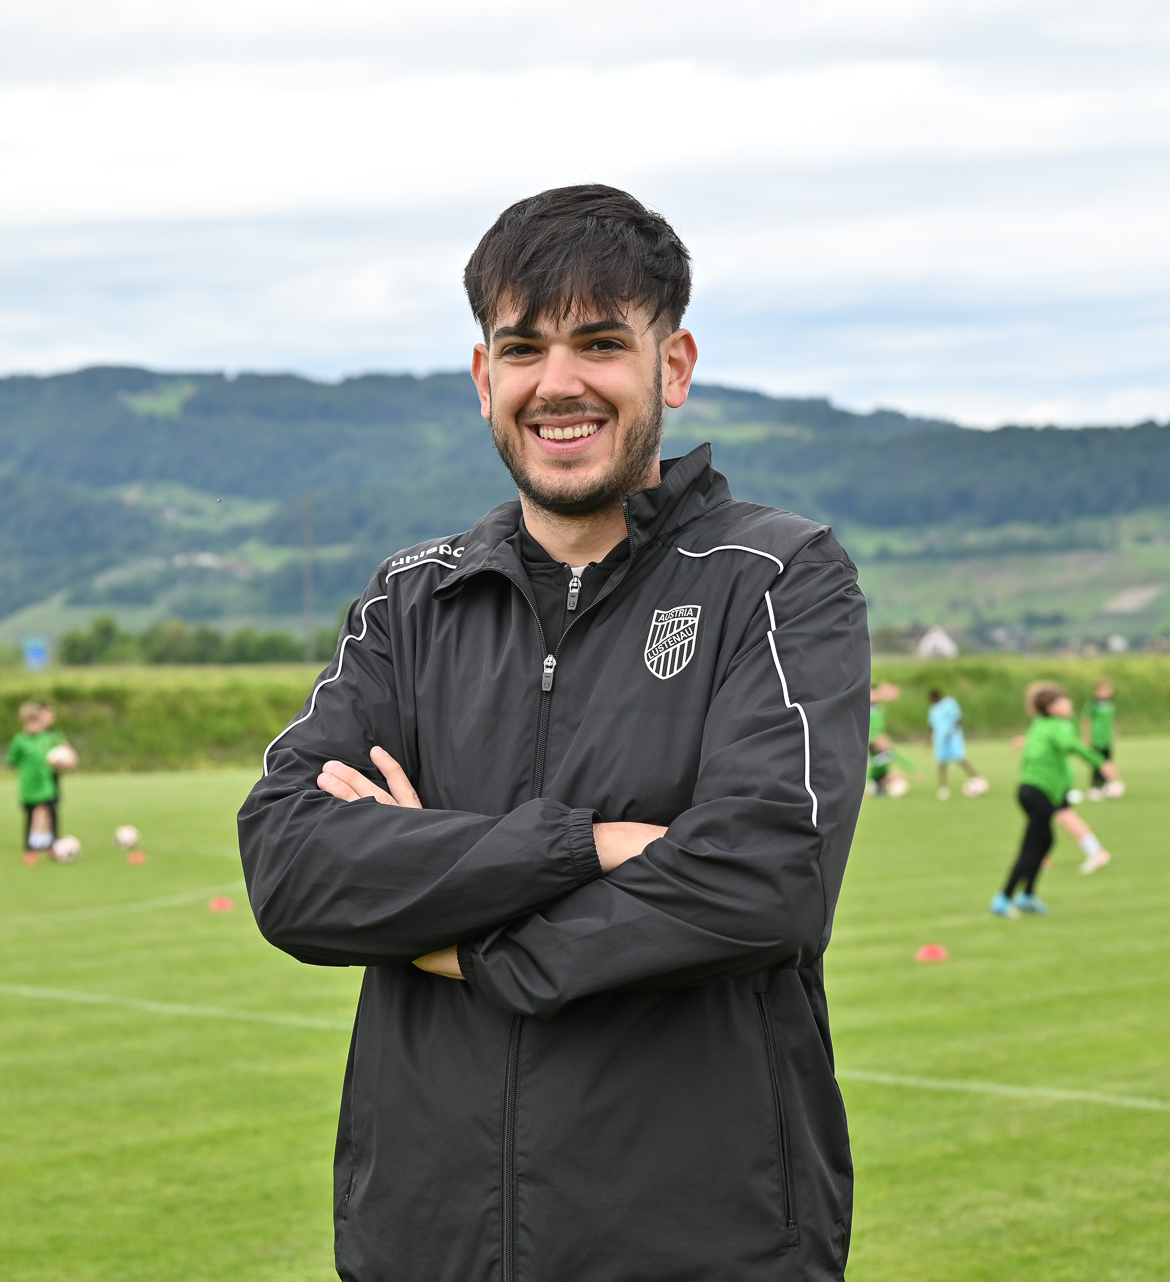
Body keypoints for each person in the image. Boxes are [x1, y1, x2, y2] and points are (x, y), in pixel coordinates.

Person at [240, 185, 869, 1282]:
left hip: (696, 1246)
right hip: (424, 1243)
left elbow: (766, 877)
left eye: (601, 343)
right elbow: (292, 868)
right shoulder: (413, 599)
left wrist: (460, 941)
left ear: (672, 366)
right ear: (485, 377)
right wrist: (587, 844)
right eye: (522, 347)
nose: (558, 383)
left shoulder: (774, 576)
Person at [992, 681, 1122, 918]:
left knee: (1045, 841)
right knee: (1031, 847)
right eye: (1064, 700)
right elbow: (1074, 746)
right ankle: (1004, 898)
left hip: (1030, 790)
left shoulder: (1039, 724)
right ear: (1051, 707)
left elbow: (1043, 744)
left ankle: (1027, 896)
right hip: (1039, 792)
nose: (1069, 703)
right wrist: (1101, 763)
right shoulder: (1058, 726)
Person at [6, 701, 70, 857]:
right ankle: (30, 848)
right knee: (31, 816)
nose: (33, 726)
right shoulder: (19, 741)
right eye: (29, 723)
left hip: (46, 785)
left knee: (48, 812)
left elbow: (62, 755)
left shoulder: (48, 739)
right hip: (29, 786)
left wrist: (61, 763)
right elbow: (11, 762)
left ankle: (52, 846)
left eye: (36, 722)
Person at [926, 687, 985, 798]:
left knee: (960, 759)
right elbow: (931, 725)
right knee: (941, 762)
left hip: (953, 737)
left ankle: (977, 779)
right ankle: (943, 788)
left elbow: (958, 718)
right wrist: (928, 740)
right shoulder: (933, 709)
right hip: (940, 739)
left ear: (935, 696)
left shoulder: (950, 703)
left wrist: (952, 731)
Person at [866, 680, 909, 796]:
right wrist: (882, 692)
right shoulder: (865, 705)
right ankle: (871, 784)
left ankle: (879, 782)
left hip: (877, 740)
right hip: (868, 739)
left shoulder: (878, 708)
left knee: (884, 759)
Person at [1086, 678, 1120, 800]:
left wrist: (1115, 731)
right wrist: (1087, 735)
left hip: (1107, 739)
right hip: (1097, 737)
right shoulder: (1093, 703)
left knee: (1108, 762)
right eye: (1104, 689)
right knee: (1097, 762)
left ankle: (1106, 786)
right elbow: (1086, 719)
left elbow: (1112, 719)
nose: (1107, 691)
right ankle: (1094, 787)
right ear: (1098, 690)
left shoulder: (1111, 703)